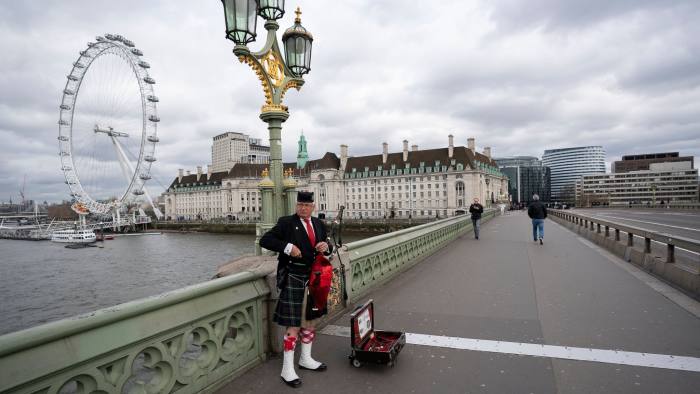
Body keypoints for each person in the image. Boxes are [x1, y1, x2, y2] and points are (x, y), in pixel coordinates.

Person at [260, 191, 332, 388]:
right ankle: (287, 368)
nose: (303, 208)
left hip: (315, 279)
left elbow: (329, 248)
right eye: (300, 204)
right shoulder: (286, 223)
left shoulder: (318, 223)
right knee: (293, 325)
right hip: (294, 277)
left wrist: (326, 246)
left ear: (313, 207)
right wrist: (287, 247)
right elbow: (265, 241)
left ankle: (306, 359)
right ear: (296, 205)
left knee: (310, 320)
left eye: (307, 205)